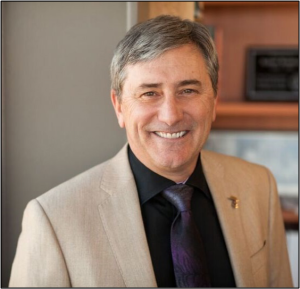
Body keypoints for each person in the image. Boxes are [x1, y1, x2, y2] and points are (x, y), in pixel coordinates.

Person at [9, 15, 292, 288]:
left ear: (214, 100)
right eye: (149, 93)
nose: (170, 116)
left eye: (188, 90)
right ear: (119, 106)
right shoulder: (54, 220)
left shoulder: (258, 186)